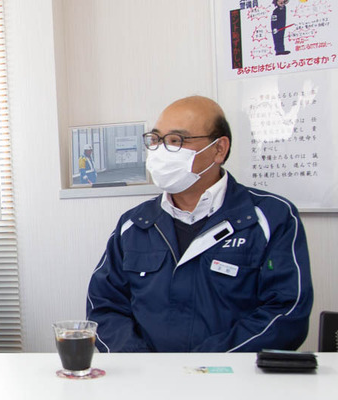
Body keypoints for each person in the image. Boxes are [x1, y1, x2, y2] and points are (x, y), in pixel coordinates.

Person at [86, 96, 313, 352]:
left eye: (176, 141)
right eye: (156, 139)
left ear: (219, 149)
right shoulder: (134, 224)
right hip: (148, 373)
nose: (161, 150)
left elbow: (286, 312)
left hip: (232, 374)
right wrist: (142, 363)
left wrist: (204, 365)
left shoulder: (270, 217)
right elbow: (104, 306)